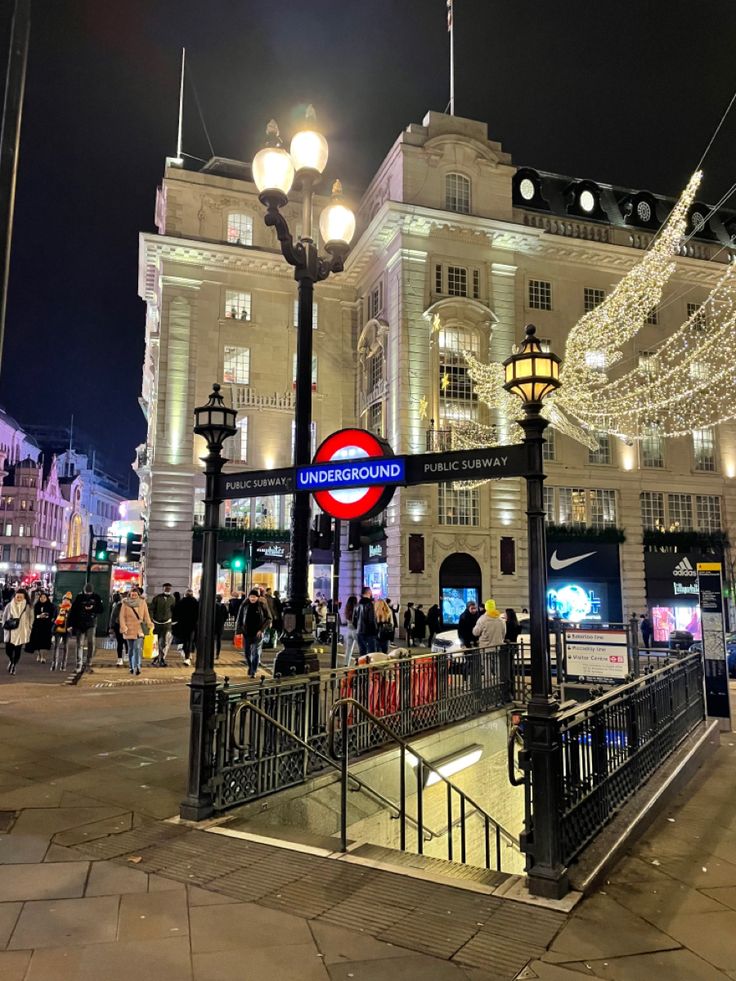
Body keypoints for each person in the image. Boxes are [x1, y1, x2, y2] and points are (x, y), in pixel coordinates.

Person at [236, 588, 271, 678]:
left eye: (254, 597)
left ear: (258, 597)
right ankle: (250, 666)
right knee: (247, 653)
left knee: (256, 653)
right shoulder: (244, 605)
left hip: (258, 634)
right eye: (251, 596)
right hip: (246, 633)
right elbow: (239, 619)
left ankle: (253, 671)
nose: (252, 598)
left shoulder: (262, 605)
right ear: (248, 597)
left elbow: (269, 618)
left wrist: (262, 630)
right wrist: (238, 632)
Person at [119, 587, 153, 676]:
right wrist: (123, 627)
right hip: (128, 629)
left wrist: (149, 623)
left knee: (137, 648)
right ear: (129, 594)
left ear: (138, 595)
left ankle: (137, 666)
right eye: (132, 594)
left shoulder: (142, 602)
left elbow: (146, 615)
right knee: (130, 649)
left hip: (139, 629)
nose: (133, 596)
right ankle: (131, 666)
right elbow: (122, 616)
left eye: (135, 594)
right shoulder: (125, 603)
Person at [69, 583, 103, 674]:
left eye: (89, 592)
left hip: (91, 622)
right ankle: (79, 664)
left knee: (91, 642)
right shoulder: (79, 597)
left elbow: (101, 609)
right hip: (80, 623)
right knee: (79, 643)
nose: (88, 594)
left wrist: (93, 608)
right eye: (86, 592)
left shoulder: (96, 597)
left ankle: (89, 663)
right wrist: (71, 624)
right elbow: (73, 611)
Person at [3, 588, 33, 674]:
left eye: (20, 597)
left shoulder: (28, 606)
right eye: (17, 596)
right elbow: (5, 616)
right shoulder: (9, 605)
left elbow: (31, 618)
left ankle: (13, 665)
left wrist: (29, 627)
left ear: (24, 597)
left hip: (21, 631)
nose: (18, 598)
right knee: (8, 650)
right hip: (10, 631)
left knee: (17, 650)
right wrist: (5, 625)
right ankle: (11, 660)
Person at [149, 582, 176, 667]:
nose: (167, 589)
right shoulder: (157, 598)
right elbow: (151, 609)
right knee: (156, 641)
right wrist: (151, 619)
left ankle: (160, 658)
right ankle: (157, 658)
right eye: (166, 588)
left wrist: (172, 620)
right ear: (163, 588)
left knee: (163, 642)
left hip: (167, 623)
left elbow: (173, 609)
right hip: (156, 623)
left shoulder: (172, 598)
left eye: (169, 588)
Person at [27, 590, 56, 664]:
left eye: (44, 597)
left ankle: (43, 656)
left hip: (46, 626)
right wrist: (39, 616)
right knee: (38, 642)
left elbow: (53, 615)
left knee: (44, 642)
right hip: (37, 625)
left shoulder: (50, 606)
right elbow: (34, 615)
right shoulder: (37, 605)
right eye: (41, 597)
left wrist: (49, 617)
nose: (42, 599)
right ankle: (39, 655)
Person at [173, 589, 198, 666]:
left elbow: (175, 613)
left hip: (182, 625)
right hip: (193, 625)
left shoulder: (181, 602)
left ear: (185, 594)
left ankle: (187, 656)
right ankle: (188, 656)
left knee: (185, 641)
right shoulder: (196, 603)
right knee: (190, 641)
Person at [51, 591, 73, 671]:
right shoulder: (58, 608)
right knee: (56, 646)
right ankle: (54, 664)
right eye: (64, 600)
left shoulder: (71, 609)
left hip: (67, 630)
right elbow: (54, 617)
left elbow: (73, 619)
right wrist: (55, 622)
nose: (65, 601)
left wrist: (71, 627)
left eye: (67, 600)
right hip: (58, 629)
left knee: (65, 647)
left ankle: (63, 665)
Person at [354, 587, 378, 658]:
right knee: (372, 652)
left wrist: (358, 627)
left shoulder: (357, 604)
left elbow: (354, 620)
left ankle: (362, 667)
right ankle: (371, 668)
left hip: (359, 631)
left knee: (362, 652)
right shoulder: (370, 604)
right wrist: (375, 630)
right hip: (369, 632)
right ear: (368, 592)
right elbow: (371, 619)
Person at [109, 594, 127, 667]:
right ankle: (120, 658)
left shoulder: (133, 606)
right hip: (119, 626)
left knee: (127, 641)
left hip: (129, 626)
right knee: (120, 642)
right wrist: (111, 627)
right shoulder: (118, 606)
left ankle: (127, 654)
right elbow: (113, 616)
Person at [343, 595, 359, 666]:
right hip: (356, 631)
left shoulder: (347, 609)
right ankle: (359, 664)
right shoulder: (356, 609)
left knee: (348, 650)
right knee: (362, 648)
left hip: (349, 630)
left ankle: (346, 664)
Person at [214, 594, 228, 660]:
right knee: (218, 640)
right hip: (220, 625)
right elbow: (226, 616)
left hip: (213, 625)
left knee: (211, 640)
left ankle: (211, 653)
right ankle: (217, 654)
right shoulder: (223, 606)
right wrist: (222, 621)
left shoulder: (213, 606)